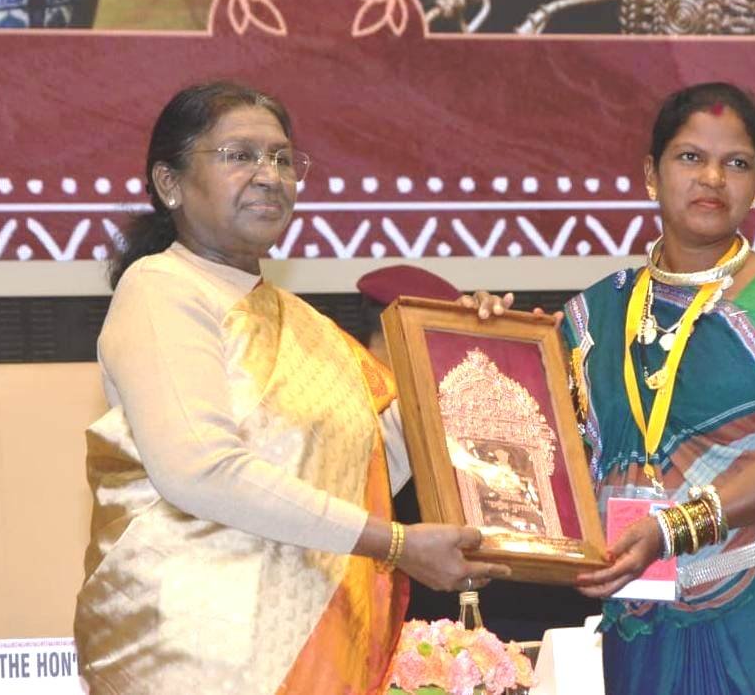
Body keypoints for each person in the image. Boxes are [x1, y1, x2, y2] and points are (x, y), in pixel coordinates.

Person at [72, 81, 510, 695]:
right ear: (170, 183)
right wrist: (395, 545)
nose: (269, 175)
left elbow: (370, 467)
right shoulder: (162, 288)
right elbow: (200, 471)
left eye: (282, 158)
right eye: (240, 155)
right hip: (199, 653)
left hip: (297, 640)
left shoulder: (304, 326)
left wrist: (461, 352)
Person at [563, 83, 755, 694]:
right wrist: (486, 334)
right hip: (645, 627)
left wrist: (674, 528)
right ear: (651, 175)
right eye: (690, 157)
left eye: (736, 163)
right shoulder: (591, 318)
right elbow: (545, 462)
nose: (712, 177)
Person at [356, 264, 597, 641]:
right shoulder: (368, 412)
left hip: (539, 619)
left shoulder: (497, 400)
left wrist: (537, 363)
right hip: (426, 635)